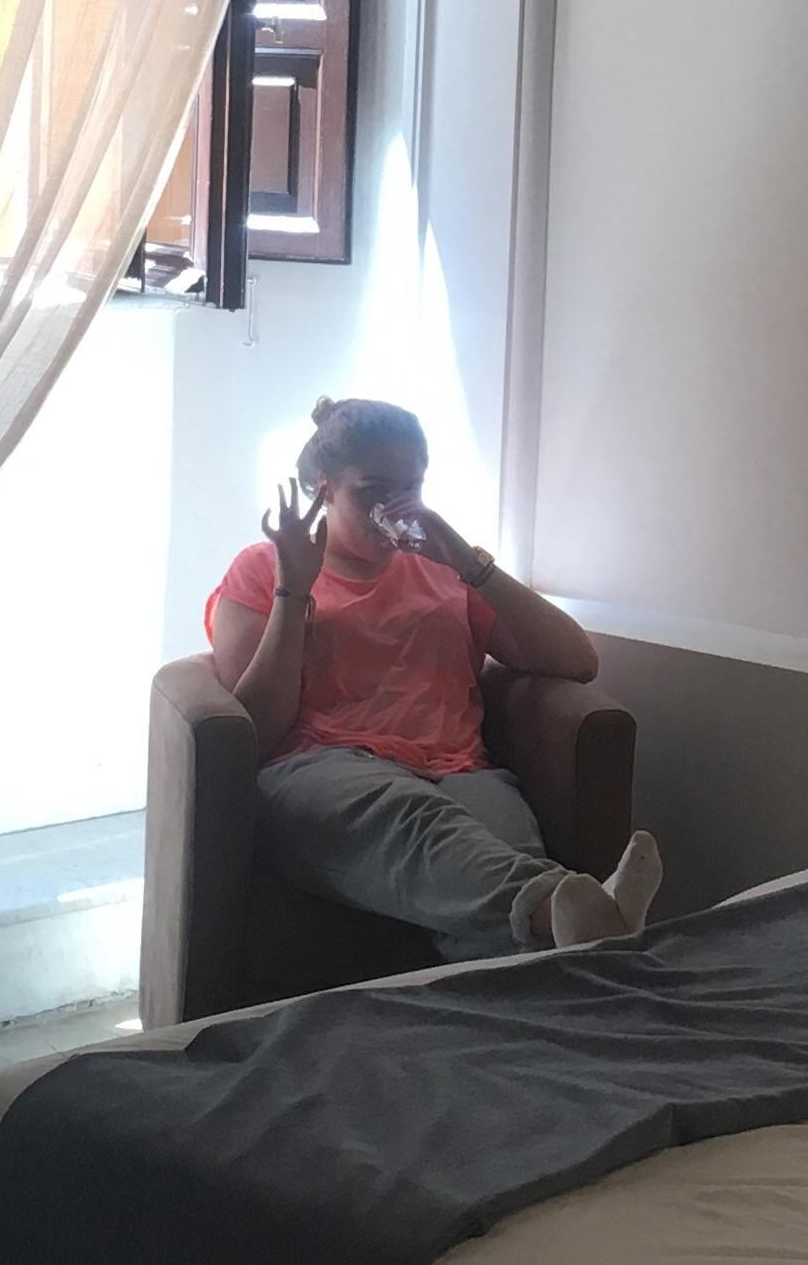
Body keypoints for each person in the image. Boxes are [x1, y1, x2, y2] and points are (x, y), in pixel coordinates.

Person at [206, 395, 661, 959]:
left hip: (460, 769)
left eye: (410, 488)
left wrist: (470, 563)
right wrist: (293, 590)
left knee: (494, 872)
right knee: (419, 821)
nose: (393, 506)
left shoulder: (444, 571)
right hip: (324, 768)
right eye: (373, 490)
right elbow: (256, 726)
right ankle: (564, 909)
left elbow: (577, 660)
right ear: (324, 488)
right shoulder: (264, 567)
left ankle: (574, 935)